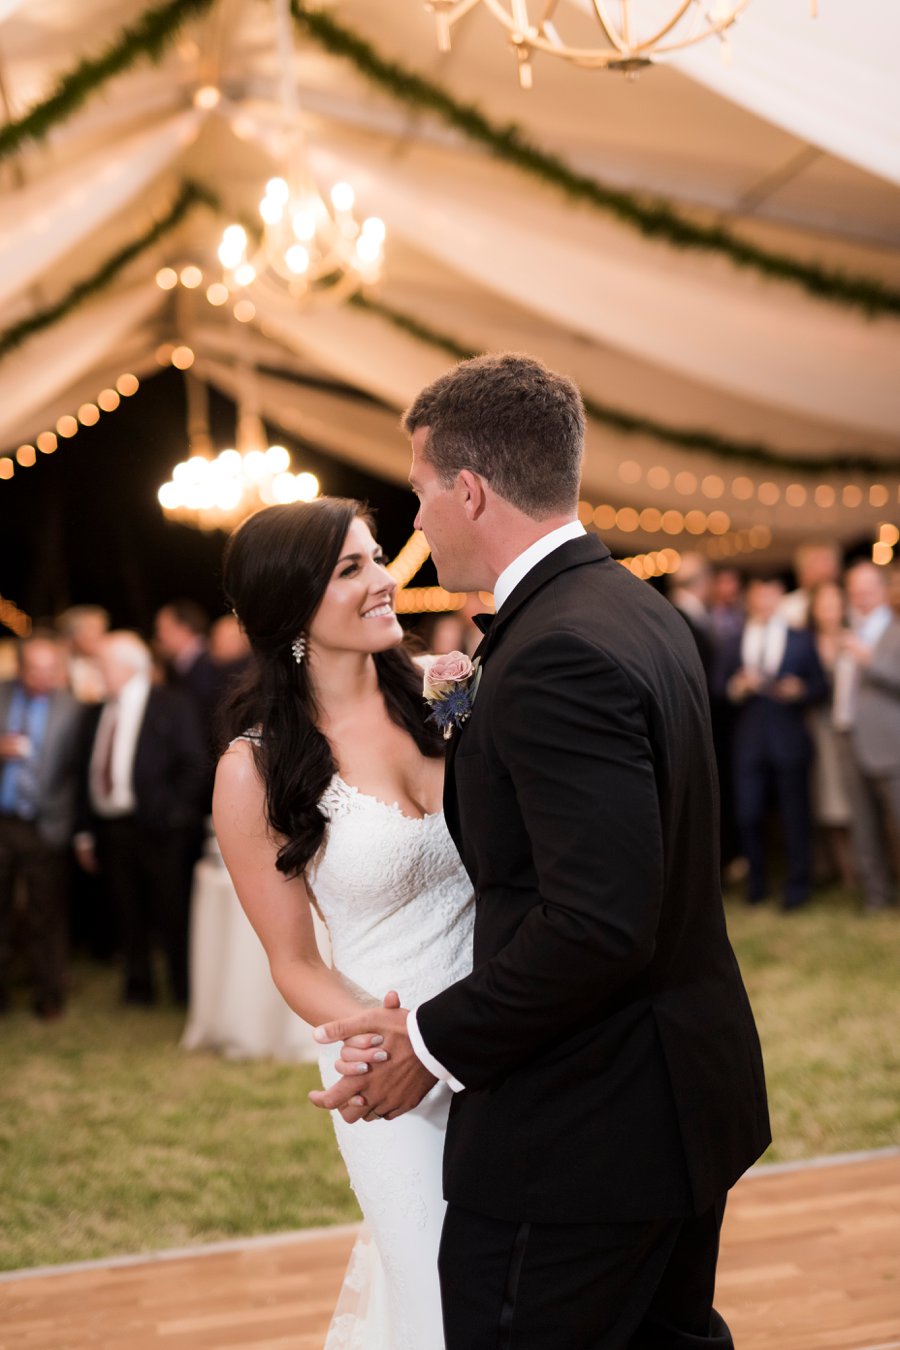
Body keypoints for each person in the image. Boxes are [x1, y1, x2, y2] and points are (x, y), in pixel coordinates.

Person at [312, 354, 770, 1349]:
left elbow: (598, 922)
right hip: (675, 1096)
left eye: (423, 491)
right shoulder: (630, 608)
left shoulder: (554, 649)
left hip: (586, 1128)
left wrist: (430, 1045)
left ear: (468, 489)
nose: (418, 524)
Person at [212, 498, 474, 1349]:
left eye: (377, 559)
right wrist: (385, 1036)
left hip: (503, 1026)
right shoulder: (255, 770)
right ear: (290, 609)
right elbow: (291, 960)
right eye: (351, 569)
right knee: (440, 1295)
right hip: (387, 1062)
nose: (382, 582)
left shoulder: (449, 693)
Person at [75, 632, 207, 1004]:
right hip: (112, 828)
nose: (97, 671)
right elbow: (85, 772)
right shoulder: (96, 711)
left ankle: (184, 989)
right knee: (125, 909)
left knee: (172, 911)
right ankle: (138, 986)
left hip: (162, 830)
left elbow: (194, 764)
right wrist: (85, 831)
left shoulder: (171, 704)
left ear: (126, 667)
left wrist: (174, 812)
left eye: (102, 665)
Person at [714, 577, 827, 910]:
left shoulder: (800, 639)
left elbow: (820, 686)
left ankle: (798, 885)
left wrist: (800, 691)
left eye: (769, 597)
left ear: (778, 599)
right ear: (750, 601)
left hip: (788, 737)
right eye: (758, 597)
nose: (764, 603)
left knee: (795, 815)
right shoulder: (735, 641)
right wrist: (738, 686)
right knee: (748, 814)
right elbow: (717, 686)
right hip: (749, 741)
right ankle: (757, 882)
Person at [0, 631, 84, 1017]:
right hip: (4, 818)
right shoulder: (2, 694)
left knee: (45, 911)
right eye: (36, 668)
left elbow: (77, 773)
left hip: (44, 822)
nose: (44, 676)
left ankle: (49, 992)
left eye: (52, 668)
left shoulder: (72, 707)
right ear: (21, 667)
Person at [833, 562, 900, 911]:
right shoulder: (850, 628)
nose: (859, 596)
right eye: (854, 590)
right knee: (863, 823)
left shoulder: (895, 629)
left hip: (891, 744)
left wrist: (869, 659)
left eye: (866, 589)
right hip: (847, 737)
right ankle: (876, 895)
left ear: (883, 589)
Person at [808, 582, 855, 889]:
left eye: (834, 604)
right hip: (817, 730)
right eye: (823, 604)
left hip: (851, 730)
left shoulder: (856, 639)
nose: (829, 611)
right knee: (828, 799)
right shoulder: (805, 642)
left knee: (855, 800)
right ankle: (842, 871)